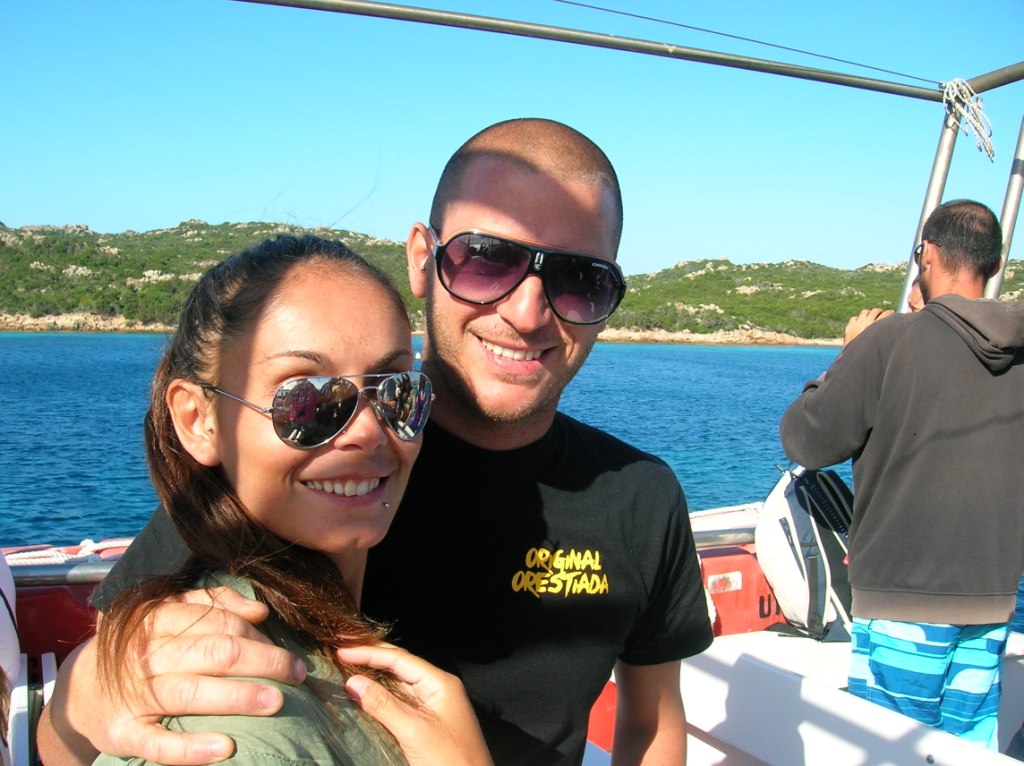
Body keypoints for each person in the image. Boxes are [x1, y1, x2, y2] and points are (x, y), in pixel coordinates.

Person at [40, 119, 713, 766]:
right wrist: (100, 680)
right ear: (423, 259)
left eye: (579, 279)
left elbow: (651, 721)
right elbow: (78, 731)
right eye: (488, 260)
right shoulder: (301, 483)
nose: (527, 312)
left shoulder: (641, 497)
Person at [55, 235, 491, 766]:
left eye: (395, 391)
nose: (368, 431)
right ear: (198, 420)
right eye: (303, 400)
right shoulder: (234, 723)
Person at [779, 199, 1024, 749]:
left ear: (927, 254)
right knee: (966, 750)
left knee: (892, 749)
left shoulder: (890, 342)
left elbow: (806, 440)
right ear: (991, 264)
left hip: (903, 597)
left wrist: (848, 356)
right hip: (990, 597)